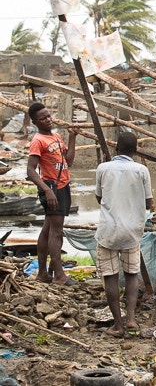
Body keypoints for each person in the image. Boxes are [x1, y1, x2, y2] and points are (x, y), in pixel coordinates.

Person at [94, 132, 153, 338]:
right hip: (132, 231)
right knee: (131, 275)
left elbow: (99, 197)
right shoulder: (141, 170)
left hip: (108, 231)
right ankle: (130, 319)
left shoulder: (103, 168)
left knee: (110, 276)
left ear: (116, 149)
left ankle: (117, 325)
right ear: (135, 150)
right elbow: (148, 203)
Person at [26, 102, 78, 285]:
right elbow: (31, 170)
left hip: (63, 185)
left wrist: (72, 138)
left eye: (48, 116)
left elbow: (69, 161)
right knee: (56, 232)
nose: (48, 120)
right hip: (52, 187)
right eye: (43, 118)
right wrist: (47, 190)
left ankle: (42, 273)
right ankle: (59, 275)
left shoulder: (56, 136)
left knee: (48, 229)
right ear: (35, 122)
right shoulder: (38, 140)